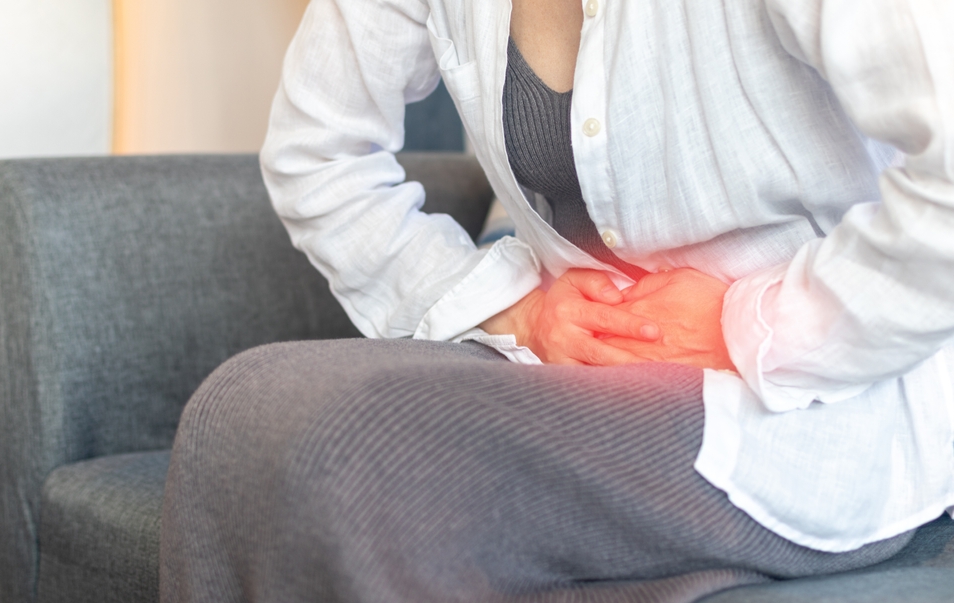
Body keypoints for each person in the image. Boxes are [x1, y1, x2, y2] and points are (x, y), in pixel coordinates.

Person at [160, 0, 954, 601]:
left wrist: (746, 321)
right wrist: (515, 308)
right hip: (575, 369)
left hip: (816, 403)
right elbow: (315, 155)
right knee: (234, 409)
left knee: (371, 452)